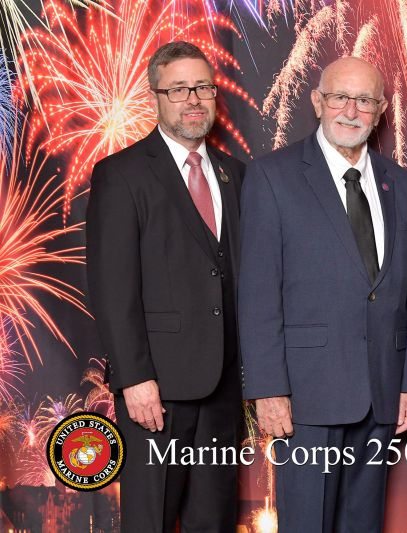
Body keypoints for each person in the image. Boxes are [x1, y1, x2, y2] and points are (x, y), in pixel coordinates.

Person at [238, 56, 407, 533]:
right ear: (317, 102)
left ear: (381, 110)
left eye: (364, 100)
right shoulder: (272, 177)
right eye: (340, 97)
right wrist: (268, 391)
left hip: (381, 393)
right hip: (304, 398)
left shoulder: (402, 185)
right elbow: (258, 294)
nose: (351, 110)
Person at [85, 41, 245, 531]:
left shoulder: (235, 174)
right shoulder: (122, 174)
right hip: (156, 389)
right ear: (156, 95)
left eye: (203, 87)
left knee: (213, 520)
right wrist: (134, 380)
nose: (193, 99)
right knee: (151, 518)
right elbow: (112, 289)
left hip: (223, 388)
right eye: (179, 89)